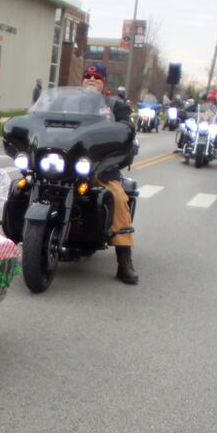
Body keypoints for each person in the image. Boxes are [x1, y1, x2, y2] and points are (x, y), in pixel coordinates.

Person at [81, 63, 139, 284]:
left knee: (118, 197)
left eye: (96, 76)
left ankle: (124, 261)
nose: (91, 79)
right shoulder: (68, 102)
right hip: (68, 164)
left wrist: (121, 128)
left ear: (104, 82)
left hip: (101, 166)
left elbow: (127, 128)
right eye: (87, 75)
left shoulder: (114, 106)